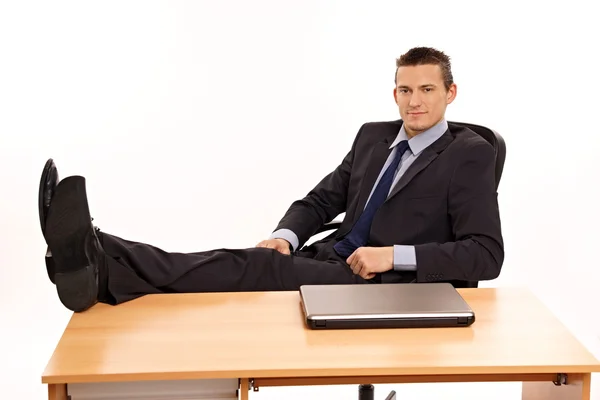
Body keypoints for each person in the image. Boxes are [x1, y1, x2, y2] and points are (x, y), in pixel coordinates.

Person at [38, 47, 504, 313]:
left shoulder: (468, 155)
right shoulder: (374, 137)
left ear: (450, 93)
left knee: (249, 267)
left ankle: (98, 257)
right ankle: (96, 262)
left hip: (387, 288)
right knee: (253, 259)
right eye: (405, 90)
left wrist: (392, 257)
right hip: (330, 259)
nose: (414, 102)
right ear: (394, 92)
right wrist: (286, 235)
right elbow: (322, 199)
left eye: (427, 90)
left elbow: (486, 254)